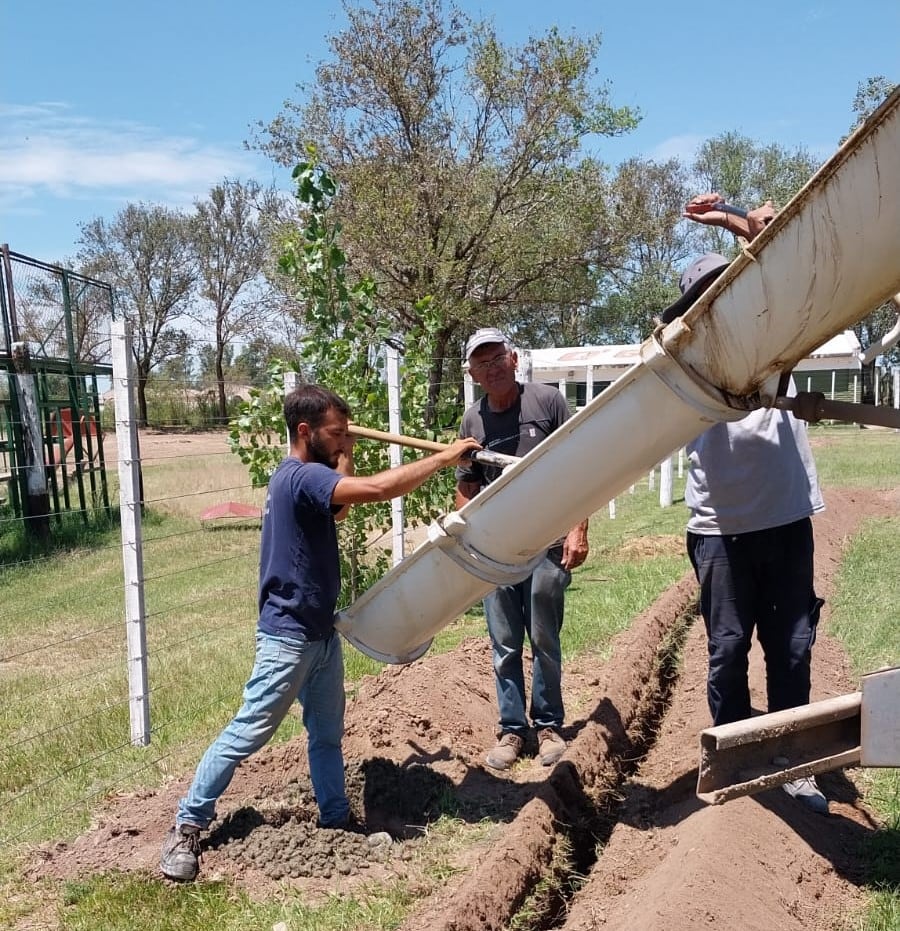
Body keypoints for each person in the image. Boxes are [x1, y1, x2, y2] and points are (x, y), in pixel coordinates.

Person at [160, 384, 481, 881]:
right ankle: (187, 824)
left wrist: (344, 451)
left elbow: (342, 507)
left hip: (321, 637)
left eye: (344, 433)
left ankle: (335, 820)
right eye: (334, 432)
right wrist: (444, 458)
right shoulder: (300, 475)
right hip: (287, 639)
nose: (341, 439)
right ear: (304, 431)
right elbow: (375, 491)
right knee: (246, 734)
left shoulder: (308, 480)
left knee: (326, 737)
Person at [665, 193, 828, 813]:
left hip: (785, 517)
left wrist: (738, 221)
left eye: (724, 292)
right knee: (727, 648)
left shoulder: (779, 339)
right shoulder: (679, 364)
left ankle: (793, 762)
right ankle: (734, 759)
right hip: (719, 528)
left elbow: (788, 266)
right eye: (706, 299)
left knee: (790, 646)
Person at [456, 328, 589, 771]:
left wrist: (577, 529)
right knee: (505, 643)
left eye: (498, 359)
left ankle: (549, 725)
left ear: (514, 360)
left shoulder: (547, 402)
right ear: (473, 373)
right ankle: (513, 730)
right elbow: (467, 489)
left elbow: (578, 469)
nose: (492, 368)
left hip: (548, 542)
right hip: (497, 551)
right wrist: (467, 544)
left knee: (544, 638)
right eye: (482, 363)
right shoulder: (472, 421)